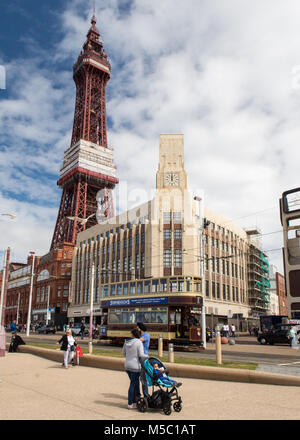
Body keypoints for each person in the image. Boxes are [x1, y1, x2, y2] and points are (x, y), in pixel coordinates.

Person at [122, 328, 144, 410]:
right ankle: (130, 403)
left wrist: (129, 357)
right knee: (132, 384)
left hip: (127, 366)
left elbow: (123, 353)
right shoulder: (139, 342)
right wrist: (147, 356)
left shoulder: (126, 342)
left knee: (135, 383)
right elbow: (141, 354)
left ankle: (135, 401)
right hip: (135, 366)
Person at [137, 322, 150, 399]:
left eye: (138, 328)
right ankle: (137, 394)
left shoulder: (146, 335)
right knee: (137, 377)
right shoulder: (141, 335)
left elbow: (139, 341)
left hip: (143, 357)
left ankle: (146, 395)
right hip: (138, 357)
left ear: (141, 329)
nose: (137, 329)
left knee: (143, 378)